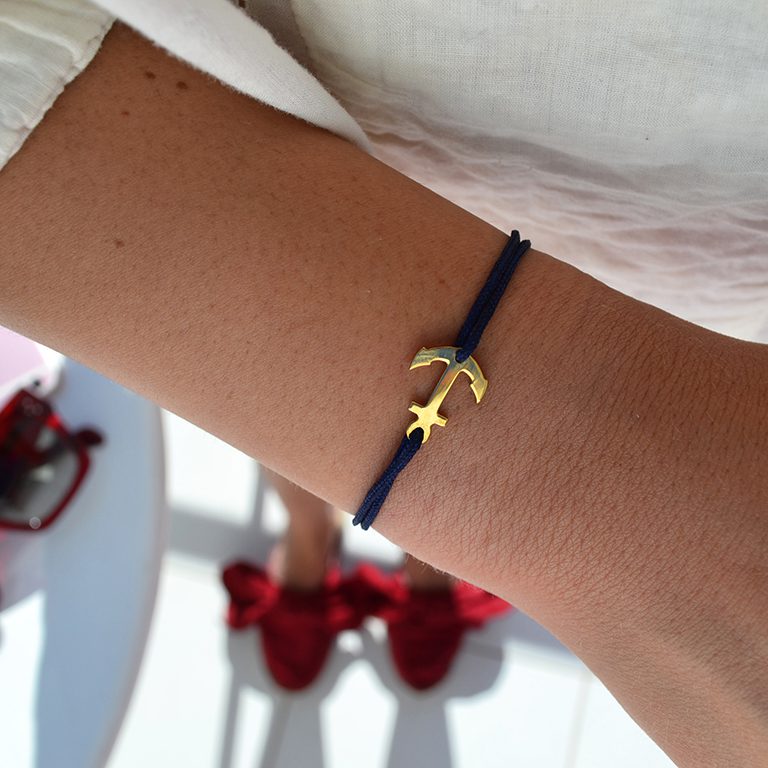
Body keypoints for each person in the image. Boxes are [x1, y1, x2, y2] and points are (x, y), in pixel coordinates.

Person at [0, 3, 765, 767]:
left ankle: (398, 554)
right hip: (327, 139)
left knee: (301, 397)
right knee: (298, 401)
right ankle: (338, 543)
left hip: (706, 254)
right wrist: (584, 499)